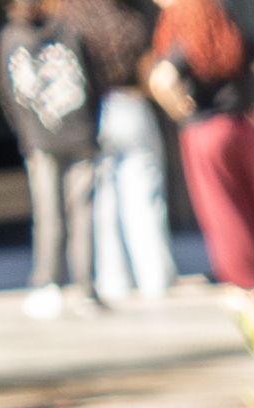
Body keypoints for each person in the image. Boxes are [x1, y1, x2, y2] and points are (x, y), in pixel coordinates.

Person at [140, 0, 254, 297]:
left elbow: (161, 79)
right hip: (245, 128)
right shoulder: (233, 33)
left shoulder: (184, 38)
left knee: (223, 209)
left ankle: (245, 280)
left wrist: (180, 108)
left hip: (206, 131)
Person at [0, 0, 101, 310]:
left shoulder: (11, 38)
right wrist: (90, 124)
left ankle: (49, 281)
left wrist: (24, 130)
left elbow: (6, 89)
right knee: (81, 212)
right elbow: (90, 80)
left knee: (48, 212)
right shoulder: (69, 30)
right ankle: (85, 284)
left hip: (39, 137)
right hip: (78, 131)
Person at [76, 0, 174, 301]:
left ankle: (112, 280)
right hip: (131, 104)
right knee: (145, 196)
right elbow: (148, 68)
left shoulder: (72, 22)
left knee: (103, 201)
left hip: (93, 112)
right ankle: (154, 277)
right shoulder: (131, 19)